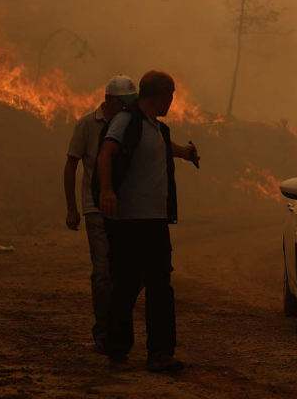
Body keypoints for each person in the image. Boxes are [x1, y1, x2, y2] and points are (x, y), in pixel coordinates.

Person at [96, 70, 199, 374]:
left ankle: (160, 354)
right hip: (128, 221)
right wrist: (107, 190)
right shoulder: (126, 121)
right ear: (162, 93)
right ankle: (117, 351)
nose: (173, 100)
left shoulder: (157, 129)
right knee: (125, 286)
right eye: (172, 95)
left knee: (160, 286)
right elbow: (106, 154)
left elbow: (165, 149)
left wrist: (186, 152)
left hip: (156, 221)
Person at [64, 74, 139, 355]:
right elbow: (71, 166)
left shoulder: (132, 124)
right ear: (109, 100)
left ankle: (116, 326)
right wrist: (72, 208)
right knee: (103, 273)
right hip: (95, 209)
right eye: (124, 102)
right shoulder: (87, 124)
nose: (128, 108)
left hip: (126, 210)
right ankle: (103, 331)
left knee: (129, 271)